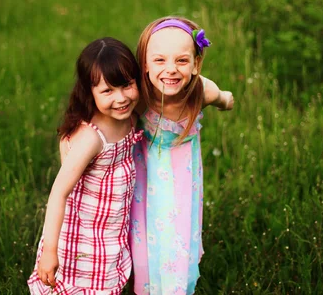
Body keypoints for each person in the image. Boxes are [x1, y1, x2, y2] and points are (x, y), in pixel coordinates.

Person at [28, 37, 143, 295]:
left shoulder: (132, 117)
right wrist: (49, 252)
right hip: (82, 239)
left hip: (110, 233)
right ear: (89, 92)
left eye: (127, 85)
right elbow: (59, 193)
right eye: (108, 91)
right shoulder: (91, 138)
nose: (121, 98)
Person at [129, 17, 234, 294]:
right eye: (160, 60)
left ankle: (176, 285)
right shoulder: (141, 97)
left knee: (178, 232)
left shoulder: (201, 91)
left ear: (196, 65)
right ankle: (148, 285)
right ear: (146, 65)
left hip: (184, 177)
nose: (171, 70)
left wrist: (225, 100)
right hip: (148, 178)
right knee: (148, 236)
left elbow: (226, 98)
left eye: (182, 61)